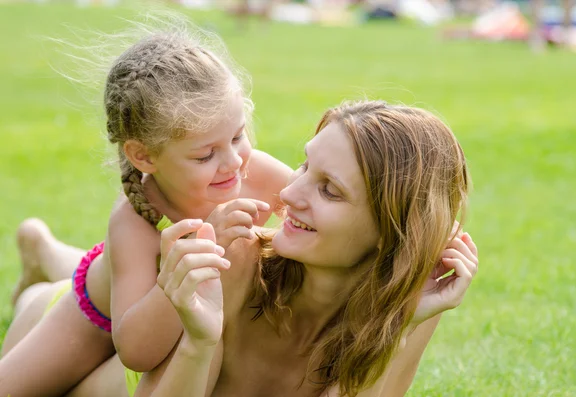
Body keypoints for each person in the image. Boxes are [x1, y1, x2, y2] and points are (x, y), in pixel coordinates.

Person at [64, 99, 477, 396]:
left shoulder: (412, 305)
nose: (290, 192)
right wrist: (199, 342)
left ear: (391, 232)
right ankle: (46, 253)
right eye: (303, 166)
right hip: (100, 345)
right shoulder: (235, 261)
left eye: (329, 190)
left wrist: (399, 329)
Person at [0, 23, 292, 397]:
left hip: (136, 298)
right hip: (97, 318)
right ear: (144, 156)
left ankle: (42, 248)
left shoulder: (261, 174)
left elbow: (321, 225)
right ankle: (37, 279)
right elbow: (136, 351)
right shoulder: (134, 220)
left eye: (237, 135)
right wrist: (201, 253)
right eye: (205, 154)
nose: (233, 161)